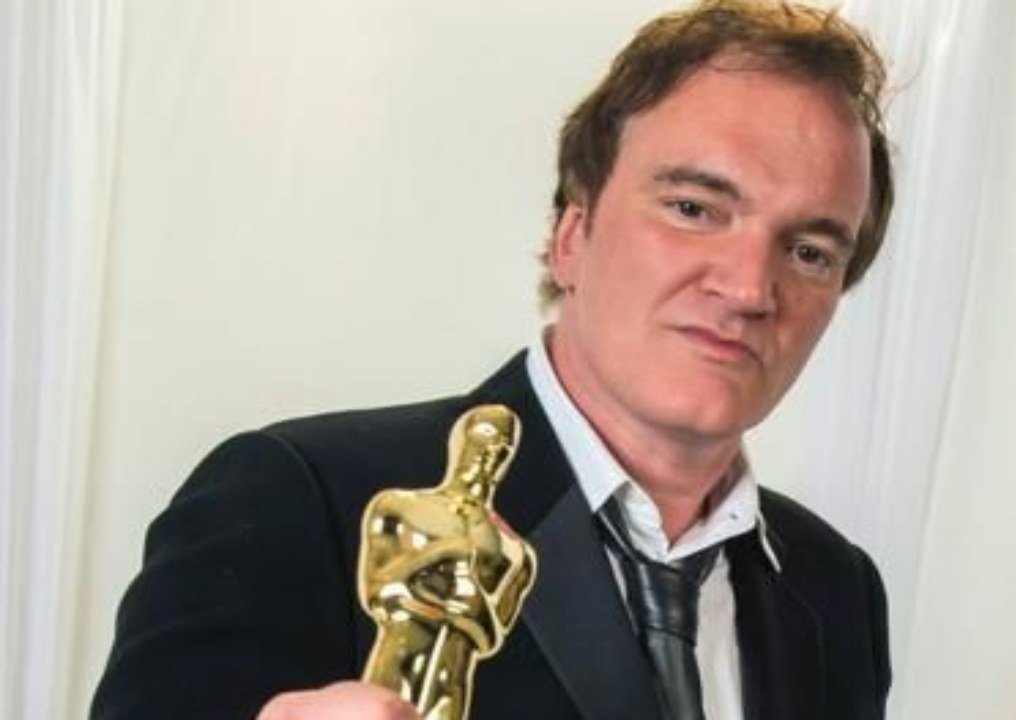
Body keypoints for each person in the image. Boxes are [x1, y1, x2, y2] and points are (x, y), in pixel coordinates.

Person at [90, 1, 896, 719]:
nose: (749, 287)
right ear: (571, 237)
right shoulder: (298, 501)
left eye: (810, 251)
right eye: (693, 208)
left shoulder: (835, 591)